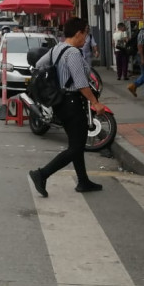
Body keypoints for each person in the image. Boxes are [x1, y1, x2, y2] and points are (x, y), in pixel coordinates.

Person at [28, 17, 104, 198]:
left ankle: (83, 181)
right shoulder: (73, 53)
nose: (85, 39)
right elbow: (81, 83)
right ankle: (42, 174)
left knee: (75, 143)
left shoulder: (56, 49)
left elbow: (39, 65)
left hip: (60, 103)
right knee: (76, 147)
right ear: (78, 33)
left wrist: (56, 79)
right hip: (72, 103)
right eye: (85, 34)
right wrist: (95, 102)